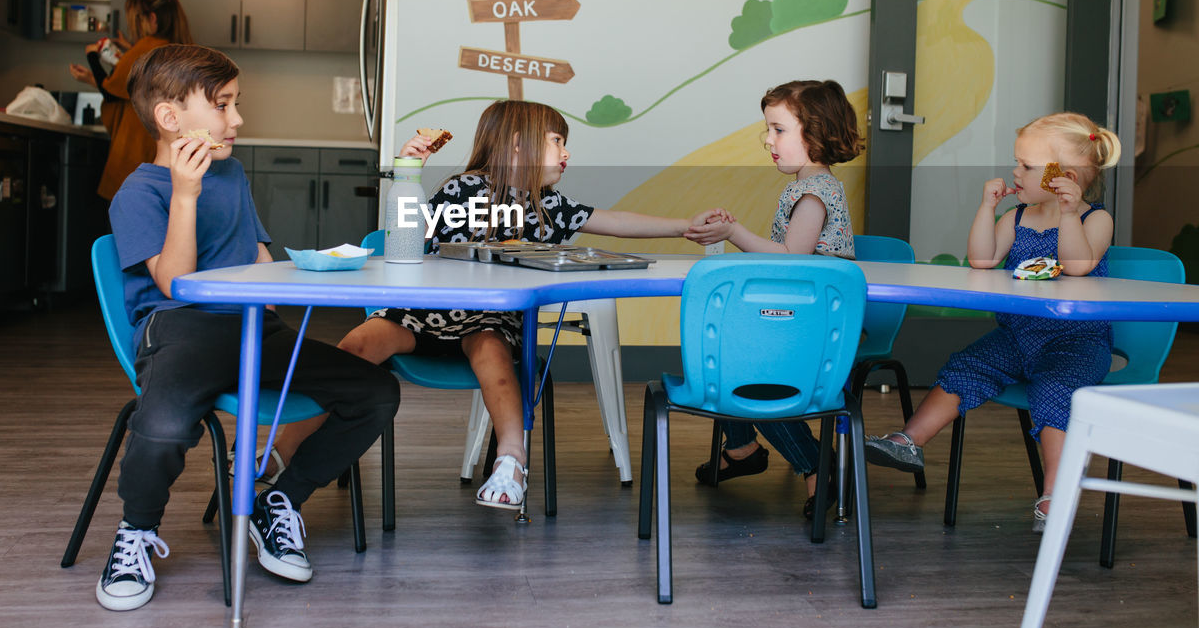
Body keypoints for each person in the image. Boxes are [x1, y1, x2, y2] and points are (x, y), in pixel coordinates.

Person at [98, 43, 399, 611]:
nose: (236, 119)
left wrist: (311, 275)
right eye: (223, 105)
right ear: (170, 118)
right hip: (181, 330)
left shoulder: (231, 173)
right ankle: (135, 531)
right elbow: (176, 285)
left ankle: (277, 502)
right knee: (161, 425)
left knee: (376, 391)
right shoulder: (139, 194)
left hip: (256, 326)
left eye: (236, 104)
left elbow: (257, 256)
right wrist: (185, 195)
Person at [326, 99, 715, 511]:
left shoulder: (549, 206)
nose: (566, 153)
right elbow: (408, 238)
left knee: (493, 349)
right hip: (421, 313)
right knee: (357, 344)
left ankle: (511, 461)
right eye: (556, 141)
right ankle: (283, 450)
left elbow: (614, 221)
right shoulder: (461, 189)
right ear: (517, 144)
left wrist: (684, 228)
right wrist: (408, 169)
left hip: (489, 320)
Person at [864, 112, 1121, 532]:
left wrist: (1070, 214)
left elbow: (1077, 266)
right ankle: (909, 441)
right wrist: (987, 208)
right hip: (1017, 337)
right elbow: (982, 260)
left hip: (1078, 341)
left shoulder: (1096, 220)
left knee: (1054, 391)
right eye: (1015, 162)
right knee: (965, 366)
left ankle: (1055, 492)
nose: (1014, 172)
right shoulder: (1016, 218)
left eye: (1026, 166)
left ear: (1064, 177)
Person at [684, 80, 864, 521]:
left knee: (755, 380)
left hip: (813, 330)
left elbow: (792, 259)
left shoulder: (815, 192)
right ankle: (743, 448)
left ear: (815, 132)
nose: (768, 139)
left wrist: (734, 234)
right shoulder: (810, 186)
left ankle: (815, 467)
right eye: (769, 129)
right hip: (801, 322)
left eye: (778, 129)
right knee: (732, 358)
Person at [70, 0, 192, 201]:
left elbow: (111, 91)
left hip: (137, 151)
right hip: (169, 157)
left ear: (152, 19)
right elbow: (134, 91)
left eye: (138, 21)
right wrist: (94, 78)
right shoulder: (183, 50)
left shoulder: (146, 48)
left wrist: (92, 56)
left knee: (129, 215)